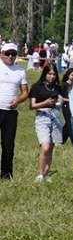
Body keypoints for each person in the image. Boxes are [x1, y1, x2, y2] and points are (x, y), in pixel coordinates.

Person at [27, 61, 66, 182]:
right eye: (49, 74)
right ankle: (40, 174)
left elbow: (59, 104)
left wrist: (60, 103)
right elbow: (32, 106)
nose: (52, 76)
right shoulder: (37, 87)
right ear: (44, 74)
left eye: (54, 74)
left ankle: (46, 173)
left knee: (51, 147)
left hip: (55, 116)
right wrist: (45, 103)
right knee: (45, 146)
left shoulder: (58, 87)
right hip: (42, 116)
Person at [0, 42, 30, 180]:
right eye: (8, 54)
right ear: (2, 54)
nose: (10, 57)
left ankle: (6, 174)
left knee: (8, 144)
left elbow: (25, 93)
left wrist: (18, 101)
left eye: (13, 54)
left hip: (10, 112)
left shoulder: (20, 71)